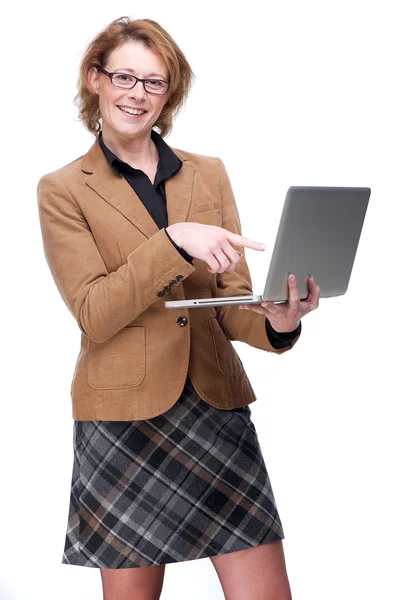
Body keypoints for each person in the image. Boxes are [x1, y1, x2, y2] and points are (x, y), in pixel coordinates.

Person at [37, 15, 320, 600]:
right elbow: (94, 311)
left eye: (155, 82)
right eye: (124, 77)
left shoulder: (207, 173)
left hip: (213, 407)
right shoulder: (63, 189)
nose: (137, 95)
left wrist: (278, 322)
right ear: (95, 79)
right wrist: (173, 241)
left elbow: (226, 299)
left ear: (170, 93)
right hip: (123, 417)